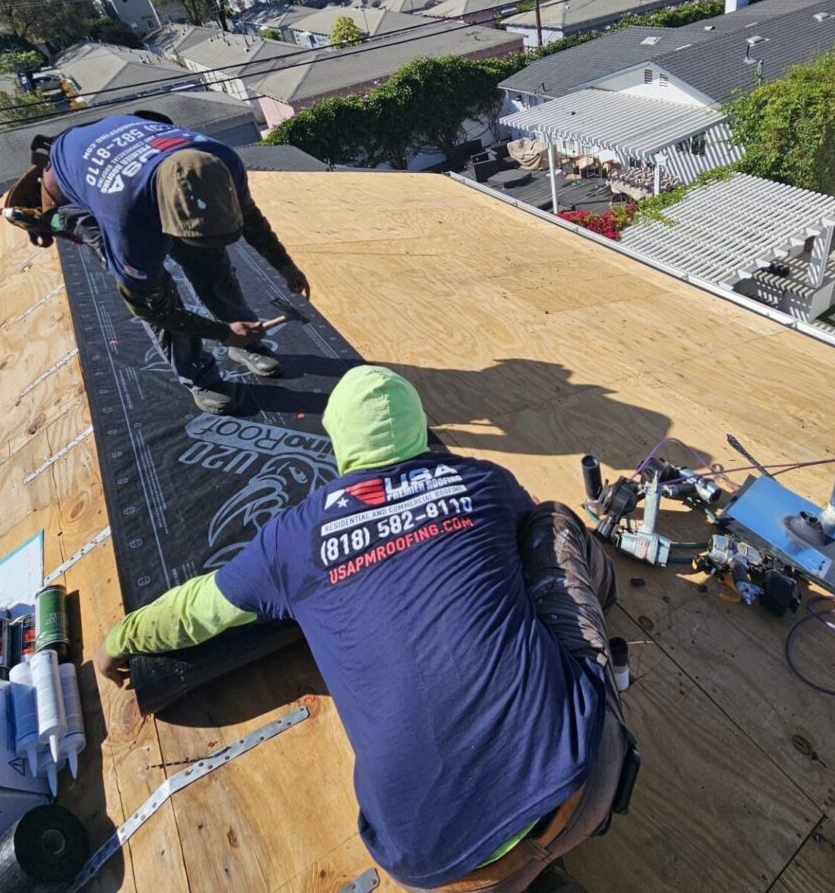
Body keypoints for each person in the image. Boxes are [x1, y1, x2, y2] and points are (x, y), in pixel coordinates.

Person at [96, 366, 636, 892]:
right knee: (552, 522)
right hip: (584, 780)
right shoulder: (482, 480)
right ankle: (605, 592)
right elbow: (527, 549)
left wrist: (122, 639)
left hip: (432, 862)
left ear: (339, 444)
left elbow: (196, 609)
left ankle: (531, 877)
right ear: (419, 427)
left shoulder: (293, 537)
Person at [3, 112, 311, 415]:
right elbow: (149, 307)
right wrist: (221, 332)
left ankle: (246, 342)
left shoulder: (221, 161)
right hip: (75, 186)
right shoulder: (125, 222)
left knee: (210, 262)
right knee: (159, 289)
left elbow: (251, 218)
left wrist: (284, 264)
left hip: (129, 143)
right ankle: (200, 378)